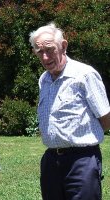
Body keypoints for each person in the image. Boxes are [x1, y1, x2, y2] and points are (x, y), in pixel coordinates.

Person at [29, 22, 110, 200]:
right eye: (39, 52)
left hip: (82, 161)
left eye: (49, 50)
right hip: (51, 161)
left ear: (63, 46)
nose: (44, 57)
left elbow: (106, 118)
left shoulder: (85, 74)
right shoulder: (44, 79)